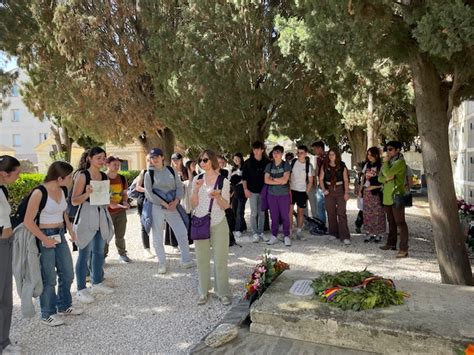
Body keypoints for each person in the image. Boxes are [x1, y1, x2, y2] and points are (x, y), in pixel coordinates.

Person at [23, 161, 84, 326]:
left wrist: (70, 229)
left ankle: (64, 305)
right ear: (59, 178)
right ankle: (47, 313)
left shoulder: (63, 189)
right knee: (49, 277)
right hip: (44, 235)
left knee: (67, 272)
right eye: (70, 176)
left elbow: (63, 211)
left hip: (60, 235)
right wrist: (44, 239)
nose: (72, 179)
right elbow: (28, 221)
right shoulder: (39, 192)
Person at [72, 147, 115, 304]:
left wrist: (109, 198)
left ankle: (97, 282)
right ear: (89, 158)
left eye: (103, 158)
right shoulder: (83, 175)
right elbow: (74, 200)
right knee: (84, 252)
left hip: (100, 213)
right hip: (86, 214)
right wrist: (87, 194)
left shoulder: (103, 175)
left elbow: (103, 198)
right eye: (98, 158)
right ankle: (81, 289)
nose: (102, 161)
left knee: (98, 251)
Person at [191, 150, 232, 306]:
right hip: (200, 222)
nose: (202, 163)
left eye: (205, 160)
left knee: (220, 259)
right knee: (202, 259)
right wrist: (195, 189)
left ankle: (222, 292)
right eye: (200, 160)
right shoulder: (196, 179)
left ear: (212, 161)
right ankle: (203, 291)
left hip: (218, 222)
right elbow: (193, 204)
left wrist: (218, 197)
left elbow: (226, 205)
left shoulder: (223, 181)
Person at [144, 148, 193, 274]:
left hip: (172, 205)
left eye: (156, 157)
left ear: (162, 157)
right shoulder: (148, 174)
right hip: (157, 206)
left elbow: (179, 187)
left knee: (181, 231)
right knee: (158, 236)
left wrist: (176, 201)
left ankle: (186, 260)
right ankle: (162, 263)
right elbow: (149, 193)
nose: (154, 160)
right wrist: (164, 203)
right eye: (152, 157)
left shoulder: (171, 170)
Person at [0, 156, 21, 352]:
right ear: (4, 173)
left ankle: (4, 341)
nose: (19, 176)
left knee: (6, 297)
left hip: (6, 244)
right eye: (17, 173)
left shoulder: (2, 189)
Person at [378, 141, 409, 258]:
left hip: (396, 196)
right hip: (387, 196)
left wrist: (386, 166)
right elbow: (380, 177)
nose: (388, 152)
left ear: (397, 150)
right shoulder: (389, 162)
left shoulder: (400, 162)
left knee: (400, 222)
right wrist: (386, 178)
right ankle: (391, 244)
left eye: (390, 149)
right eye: (387, 149)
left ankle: (404, 249)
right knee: (391, 222)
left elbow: (388, 172)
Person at [319, 148, 351, 245]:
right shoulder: (324, 166)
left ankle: (345, 236)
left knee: (341, 212)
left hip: (340, 189)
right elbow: (320, 179)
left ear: (337, 155)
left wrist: (346, 192)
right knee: (331, 212)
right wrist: (324, 189)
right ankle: (333, 233)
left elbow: (346, 179)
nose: (331, 156)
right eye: (329, 154)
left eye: (333, 154)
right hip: (329, 190)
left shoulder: (342, 165)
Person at [242, 141, 271, 243]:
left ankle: (261, 232)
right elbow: (244, 178)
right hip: (252, 191)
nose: (256, 151)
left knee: (262, 213)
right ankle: (254, 233)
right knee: (254, 213)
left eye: (258, 149)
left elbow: (270, 177)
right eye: (255, 149)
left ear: (262, 150)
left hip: (264, 192)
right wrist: (245, 189)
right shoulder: (247, 162)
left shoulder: (267, 162)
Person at [105, 156, 131, 263]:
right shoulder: (103, 177)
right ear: (107, 165)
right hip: (106, 212)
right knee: (105, 235)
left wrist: (125, 201)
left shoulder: (122, 178)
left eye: (118, 165)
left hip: (120, 211)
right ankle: (102, 257)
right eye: (114, 164)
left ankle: (122, 254)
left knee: (120, 234)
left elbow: (124, 193)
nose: (117, 167)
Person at [265, 145, 292, 247]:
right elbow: (266, 180)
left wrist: (273, 179)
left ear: (282, 154)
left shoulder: (286, 165)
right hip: (272, 195)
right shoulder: (269, 165)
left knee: (285, 216)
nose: (275, 154)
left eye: (278, 152)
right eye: (274, 153)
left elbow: (285, 180)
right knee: (274, 216)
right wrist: (279, 181)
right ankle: (274, 236)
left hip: (284, 194)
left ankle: (286, 236)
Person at [360, 147, 386, 243]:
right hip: (367, 192)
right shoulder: (367, 165)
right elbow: (363, 178)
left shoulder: (381, 166)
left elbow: (384, 181)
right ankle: (369, 232)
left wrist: (374, 187)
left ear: (376, 155)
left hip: (377, 192)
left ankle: (379, 234)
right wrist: (360, 189)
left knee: (378, 213)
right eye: (368, 154)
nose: (369, 156)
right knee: (367, 213)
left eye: (371, 154)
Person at [290, 145, 314, 241]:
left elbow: (311, 181)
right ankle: (290, 231)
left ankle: (299, 232)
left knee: (300, 212)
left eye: (301, 153)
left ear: (305, 154)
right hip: (292, 190)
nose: (299, 155)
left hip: (302, 191)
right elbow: (288, 176)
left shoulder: (309, 166)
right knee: (290, 211)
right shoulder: (293, 162)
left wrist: (306, 192)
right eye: (298, 153)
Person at [135, 155, 155, 258]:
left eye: (152, 159)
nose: (150, 162)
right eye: (148, 160)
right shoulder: (143, 172)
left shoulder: (160, 172)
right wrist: (148, 190)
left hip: (156, 201)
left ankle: (157, 247)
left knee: (157, 224)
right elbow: (137, 187)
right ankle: (146, 249)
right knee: (144, 224)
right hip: (144, 201)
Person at [230, 153, 247, 238]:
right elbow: (232, 181)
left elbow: (244, 179)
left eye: (237, 159)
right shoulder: (233, 168)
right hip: (235, 192)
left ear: (241, 158)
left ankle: (238, 230)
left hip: (242, 192)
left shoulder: (245, 167)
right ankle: (243, 226)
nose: (236, 161)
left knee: (240, 211)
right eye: (234, 159)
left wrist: (236, 179)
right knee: (235, 210)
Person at [311, 141, 327, 223]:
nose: (314, 151)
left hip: (328, 185)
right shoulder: (318, 159)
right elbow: (317, 172)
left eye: (315, 149)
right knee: (319, 206)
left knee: (328, 207)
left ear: (320, 148)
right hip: (320, 185)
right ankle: (322, 225)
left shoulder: (328, 157)